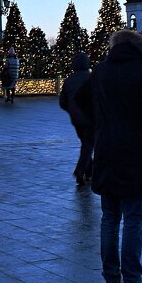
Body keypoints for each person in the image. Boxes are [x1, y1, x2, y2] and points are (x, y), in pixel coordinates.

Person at [75, 29, 142, 283]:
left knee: (109, 218)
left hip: (106, 149)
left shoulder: (103, 69)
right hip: (136, 150)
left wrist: (101, 121)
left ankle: (111, 282)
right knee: (134, 219)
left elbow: (81, 98)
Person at [59, 52, 94, 185]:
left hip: (76, 119)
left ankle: (89, 171)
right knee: (88, 144)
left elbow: (62, 102)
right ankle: (80, 171)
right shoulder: (91, 78)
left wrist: (71, 110)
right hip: (90, 117)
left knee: (85, 144)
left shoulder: (69, 80)